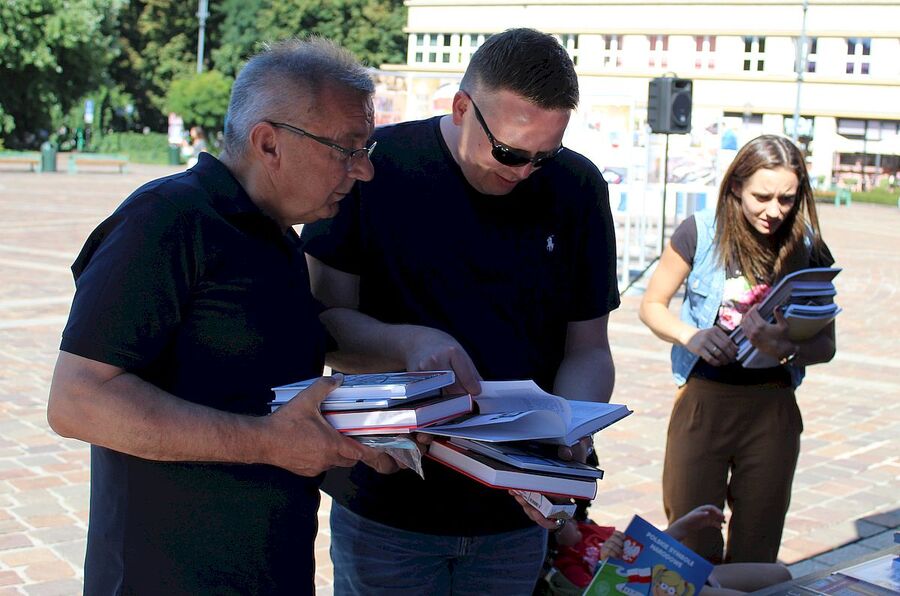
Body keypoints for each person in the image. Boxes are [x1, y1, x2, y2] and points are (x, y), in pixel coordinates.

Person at [46, 38, 473, 596]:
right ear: (268, 143)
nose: (364, 171)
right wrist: (268, 443)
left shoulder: (275, 235)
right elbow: (78, 402)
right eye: (346, 150)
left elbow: (267, 372)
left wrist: (366, 428)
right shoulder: (167, 221)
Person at [301, 27, 620, 595]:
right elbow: (320, 322)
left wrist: (572, 433)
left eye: (545, 155)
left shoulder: (576, 187)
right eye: (510, 152)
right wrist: (406, 344)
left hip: (515, 511)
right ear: (461, 107)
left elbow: (589, 348)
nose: (524, 171)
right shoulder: (374, 169)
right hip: (387, 501)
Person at [639, 134, 836, 563]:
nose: (774, 211)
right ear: (735, 187)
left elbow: (826, 345)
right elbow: (652, 305)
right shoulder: (701, 232)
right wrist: (690, 335)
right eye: (762, 196)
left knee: (757, 544)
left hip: (773, 406)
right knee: (689, 542)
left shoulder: (808, 249)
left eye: (787, 198)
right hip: (703, 400)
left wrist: (785, 347)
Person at [599, 506, 791, 596]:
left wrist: (680, 528)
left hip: (670, 579)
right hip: (667, 588)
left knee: (781, 575)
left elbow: (645, 556)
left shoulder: (585, 527)